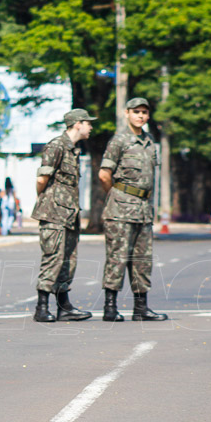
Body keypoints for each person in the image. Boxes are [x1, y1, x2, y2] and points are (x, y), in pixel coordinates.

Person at [99, 97, 168, 322]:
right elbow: (104, 174)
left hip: (143, 208)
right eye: (136, 112)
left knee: (142, 260)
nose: (140, 116)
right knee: (117, 258)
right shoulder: (119, 141)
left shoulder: (150, 142)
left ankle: (141, 308)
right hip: (120, 208)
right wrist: (116, 196)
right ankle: (110, 307)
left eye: (144, 113)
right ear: (127, 113)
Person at [31, 108, 95, 322]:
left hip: (69, 214)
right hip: (54, 213)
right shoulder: (56, 146)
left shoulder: (73, 150)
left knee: (68, 260)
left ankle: (64, 306)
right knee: (53, 258)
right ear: (78, 124)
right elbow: (42, 180)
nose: (91, 127)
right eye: (88, 123)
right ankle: (41, 308)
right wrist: (47, 202)